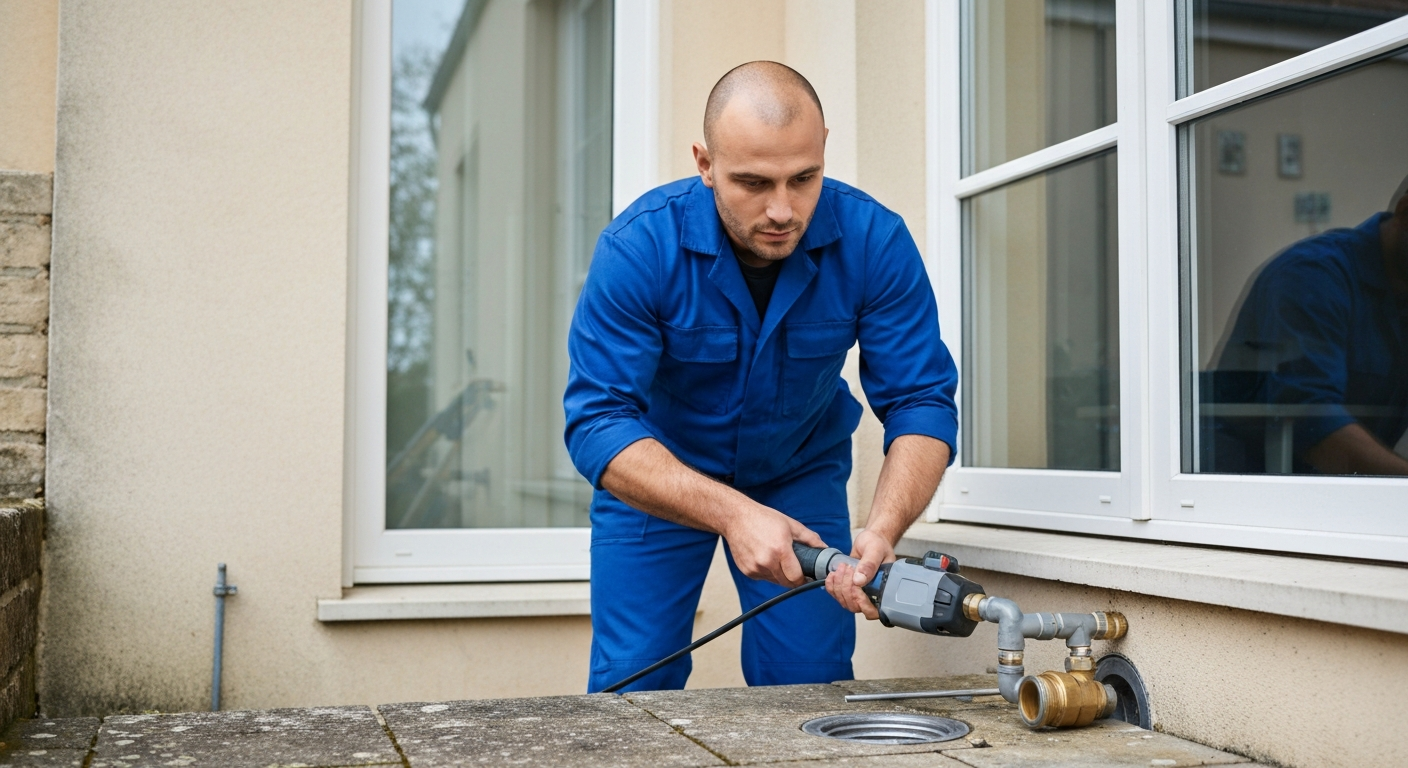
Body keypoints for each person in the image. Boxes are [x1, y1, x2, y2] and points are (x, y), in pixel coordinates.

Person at [564, 61, 958, 692]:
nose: (782, 209)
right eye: (752, 182)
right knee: (632, 684)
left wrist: (883, 531)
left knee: (809, 685)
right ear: (705, 163)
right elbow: (597, 423)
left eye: (803, 178)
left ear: (825, 146)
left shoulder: (874, 242)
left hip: (798, 473)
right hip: (662, 476)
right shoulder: (637, 248)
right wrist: (731, 513)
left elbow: (922, 402)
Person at [1206, 174, 1408, 475]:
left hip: (1341, 497)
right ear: (1405, 212)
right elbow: (1310, 422)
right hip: (1240, 496)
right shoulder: (1312, 276)